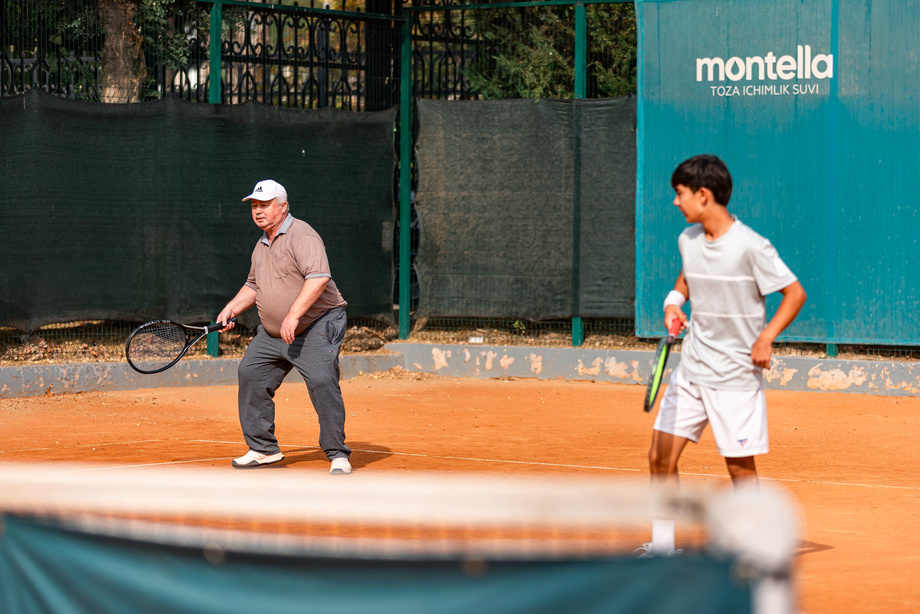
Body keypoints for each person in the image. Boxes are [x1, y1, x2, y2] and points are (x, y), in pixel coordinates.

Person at [638, 155, 807, 557]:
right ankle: (663, 548)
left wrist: (767, 337)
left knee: (739, 469)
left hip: (735, 378)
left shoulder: (751, 246)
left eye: (679, 194)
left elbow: (794, 293)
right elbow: (687, 279)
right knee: (659, 457)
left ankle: (755, 544)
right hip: (692, 370)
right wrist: (673, 303)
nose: (675, 203)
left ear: (703, 194)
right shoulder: (688, 240)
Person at [216, 179, 352, 475]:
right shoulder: (262, 243)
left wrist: (293, 315)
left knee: (320, 380)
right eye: (254, 206)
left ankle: (337, 453)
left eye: (264, 205)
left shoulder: (302, 236)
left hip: (317, 323)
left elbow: (318, 279)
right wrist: (232, 307)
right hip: (273, 332)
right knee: (251, 372)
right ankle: (263, 449)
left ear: (283, 207)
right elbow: (254, 284)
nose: (258, 211)